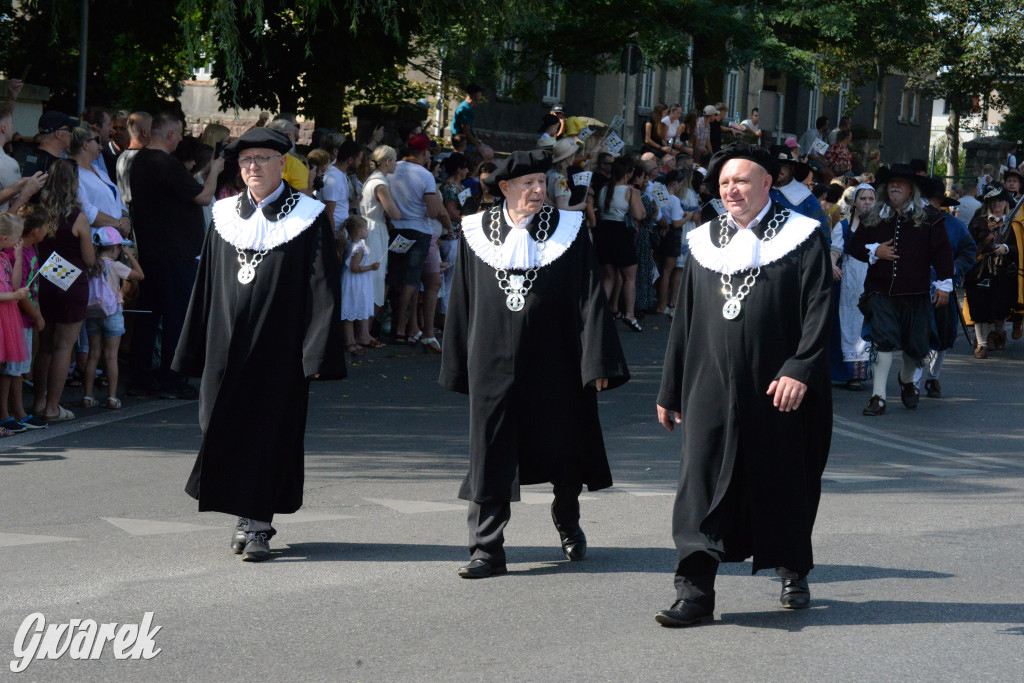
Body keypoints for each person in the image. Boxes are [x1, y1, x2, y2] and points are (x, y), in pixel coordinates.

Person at [655, 142, 832, 627]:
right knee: (699, 484)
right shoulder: (703, 239)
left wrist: (801, 368)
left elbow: (819, 307)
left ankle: (793, 568)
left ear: (767, 184)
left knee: (784, 480)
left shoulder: (803, 234)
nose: (732, 190)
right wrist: (670, 391)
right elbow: (684, 321)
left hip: (780, 386)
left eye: (743, 180)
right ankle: (694, 594)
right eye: (725, 182)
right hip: (708, 386)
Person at [440, 149, 629, 578]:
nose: (539, 190)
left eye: (543, 182)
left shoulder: (570, 228)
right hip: (492, 359)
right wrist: (458, 363)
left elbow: (590, 295)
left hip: (557, 356)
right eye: (528, 183)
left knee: (563, 446)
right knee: (489, 450)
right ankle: (486, 548)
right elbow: (462, 300)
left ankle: (568, 519)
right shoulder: (475, 230)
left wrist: (597, 359)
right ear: (504, 188)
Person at [172, 127, 345, 562]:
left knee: (269, 432)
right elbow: (207, 284)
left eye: (263, 159)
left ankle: (256, 522)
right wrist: (193, 345)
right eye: (247, 160)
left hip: (280, 346)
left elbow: (323, 285)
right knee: (218, 423)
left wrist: (318, 348)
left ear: (281, 164)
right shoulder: (224, 213)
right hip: (224, 345)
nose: (253, 167)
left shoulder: (308, 215)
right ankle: (245, 515)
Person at [128, 112, 224, 398]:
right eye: (179, 133)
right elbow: (203, 197)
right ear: (169, 135)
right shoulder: (164, 163)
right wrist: (215, 172)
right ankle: (171, 378)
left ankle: (141, 377)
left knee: (149, 316)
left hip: (153, 252)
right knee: (175, 317)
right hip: (174, 254)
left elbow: (180, 189)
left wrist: (197, 176)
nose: (182, 139)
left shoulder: (143, 160)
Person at [847, 164, 954, 414]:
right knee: (882, 342)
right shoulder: (874, 215)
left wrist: (944, 286)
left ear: (911, 190)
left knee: (915, 348)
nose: (895, 186)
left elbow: (943, 254)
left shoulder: (930, 217)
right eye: (892, 182)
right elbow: (853, 247)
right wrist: (875, 250)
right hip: (881, 291)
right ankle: (878, 396)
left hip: (916, 294)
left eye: (901, 183)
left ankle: (907, 381)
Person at [32, 161, 96, 422]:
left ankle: (38, 403)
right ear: (74, 183)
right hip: (72, 286)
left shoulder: (38, 214)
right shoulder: (77, 217)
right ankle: (52, 408)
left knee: (44, 346)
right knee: (63, 347)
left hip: (45, 281)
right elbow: (89, 260)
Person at [387, 134, 452, 347]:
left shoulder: (392, 169)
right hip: (418, 231)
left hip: (395, 230)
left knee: (394, 278)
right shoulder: (425, 175)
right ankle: (401, 331)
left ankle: (400, 328)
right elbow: (433, 212)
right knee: (411, 282)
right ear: (424, 152)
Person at [921, 177, 975, 396]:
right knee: (916, 336)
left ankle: (933, 377)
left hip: (943, 289)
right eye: (924, 200)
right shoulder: (909, 223)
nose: (927, 205)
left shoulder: (955, 226)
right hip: (915, 288)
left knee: (942, 335)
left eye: (932, 201)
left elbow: (969, 252)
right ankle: (911, 383)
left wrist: (952, 269)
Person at [80, 228, 144, 409]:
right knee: (111, 356)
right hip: (112, 314)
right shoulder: (115, 266)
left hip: (92, 314)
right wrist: (129, 255)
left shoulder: (90, 264)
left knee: (93, 356)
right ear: (117, 247)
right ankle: (112, 397)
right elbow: (140, 275)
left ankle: (88, 395)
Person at [4, 206, 48, 430]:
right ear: (37, 230)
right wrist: (38, 316)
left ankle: (19, 411)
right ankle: (13, 412)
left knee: (19, 369)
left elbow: (32, 287)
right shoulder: (12, 254)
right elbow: (18, 291)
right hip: (16, 321)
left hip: (24, 319)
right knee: (13, 369)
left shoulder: (29, 251)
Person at [829, 183, 875, 390]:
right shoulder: (844, 226)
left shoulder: (880, 226)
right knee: (848, 324)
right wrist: (832, 265)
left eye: (870, 199)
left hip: (872, 278)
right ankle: (849, 374)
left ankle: (863, 372)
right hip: (849, 280)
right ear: (855, 202)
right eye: (863, 198)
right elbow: (835, 250)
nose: (866, 202)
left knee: (868, 323)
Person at [963, 184, 1018, 358]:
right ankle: (981, 345)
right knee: (979, 308)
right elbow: (968, 244)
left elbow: (1019, 249)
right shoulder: (978, 220)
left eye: (1001, 200)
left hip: (1003, 273)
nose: (997, 204)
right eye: (994, 200)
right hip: (980, 270)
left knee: (1000, 309)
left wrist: (1006, 248)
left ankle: (999, 333)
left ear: (1006, 203)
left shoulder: (1013, 223)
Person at [596, 160, 646, 329]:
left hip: (603, 233)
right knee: (629, 277)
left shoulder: (603, 189)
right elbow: (639, 215)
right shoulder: (630, 191)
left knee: (609, 277)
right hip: (621, 234)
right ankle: (630, 315)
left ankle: (598, 314)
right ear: (628, 174)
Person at [360, 145, 401, 314]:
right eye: (395, 160)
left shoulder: (372, 179)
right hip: (374, 230)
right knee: (375, 278)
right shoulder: (380, 185)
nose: (396, 165)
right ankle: (366, 329)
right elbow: (394, 213)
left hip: (369, 225)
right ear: (387, 161)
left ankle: (365, 329)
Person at [69, 125, 131, 237]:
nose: (101, 147)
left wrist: (125, 217)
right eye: (97, 141)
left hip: (116, 242)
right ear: (85, 144)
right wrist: (119, 224)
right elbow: (86, 211)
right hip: (98, 243)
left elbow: (117, 201)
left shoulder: (99, 171)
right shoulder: (73, 175)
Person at [0, 212, 30, 435]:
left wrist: (18, 258)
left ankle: (5, 415)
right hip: (2, 315)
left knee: (5, 368)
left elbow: (14, 284)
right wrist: (13, 296)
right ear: (4, 239)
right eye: (16, 238)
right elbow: (9, 292)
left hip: (7, 317)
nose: (19, 241)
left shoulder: (4, 258)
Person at [338, 215, 381, 355]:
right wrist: (371, 267)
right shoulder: (358, 248)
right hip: (354, 283)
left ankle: (351, 341)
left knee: (351, 312)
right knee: (349, 312)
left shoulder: (351, 244)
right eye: (365, 229)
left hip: (351, 282)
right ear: (358, 232)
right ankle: (349, 342)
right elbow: (354, 267)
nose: (367, 232)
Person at [768, 145, 830, 240]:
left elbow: (823, 233)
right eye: (774, 165)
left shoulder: (806, 198)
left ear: (791, 168)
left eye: (783, 165)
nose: (778, 169)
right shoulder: (761, 192)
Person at [115, 111, 152, 211]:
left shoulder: (122, 156)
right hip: (138, 217)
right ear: (145, 132)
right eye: (152, 129)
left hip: (125, 214)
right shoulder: (144, 158)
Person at [321, 140, 360, 236]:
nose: (360, 163)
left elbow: (338, 205)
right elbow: (329, 211)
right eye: (359, 159)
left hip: (341, 233)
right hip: (334, 236)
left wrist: (354, 203)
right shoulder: (333, 178)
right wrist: (332, 237)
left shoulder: (340, 174)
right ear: (350, 160)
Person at [22, 111, 78, 177]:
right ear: (58, 133)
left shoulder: (31, 158)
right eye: (70, 130)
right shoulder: (60, 167)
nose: (71, 134)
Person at [267, 116, 312, 197]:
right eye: (294, 135)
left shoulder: (258, 160)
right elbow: (304, 200)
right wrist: (310, 182)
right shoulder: (295, 165)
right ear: (289, 134)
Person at [450, 83, 493, 161]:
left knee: (488, 152)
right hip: (463, 143)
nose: (481, 95)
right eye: (480, 93)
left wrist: (477, 141)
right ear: (476, 94)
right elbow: (466, 131)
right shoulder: (466, 109)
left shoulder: (464, 107)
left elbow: (469, 130)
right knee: (488, 153)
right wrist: (478, 146)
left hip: (463, 141)